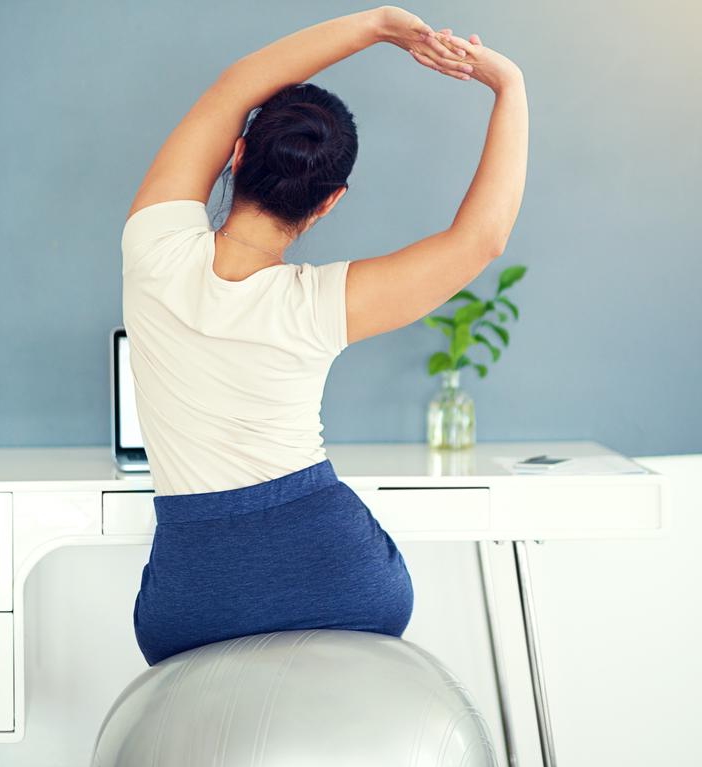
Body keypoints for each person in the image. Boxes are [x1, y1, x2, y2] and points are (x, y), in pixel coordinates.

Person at [122, 6, 528, 666]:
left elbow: (235, 87)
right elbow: (482, 239)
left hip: (193, 601)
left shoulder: (152, 246)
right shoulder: (321, 303)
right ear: (331, 198)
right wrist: (509, 86)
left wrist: (378, 25)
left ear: (238, 153)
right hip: (342, 581)